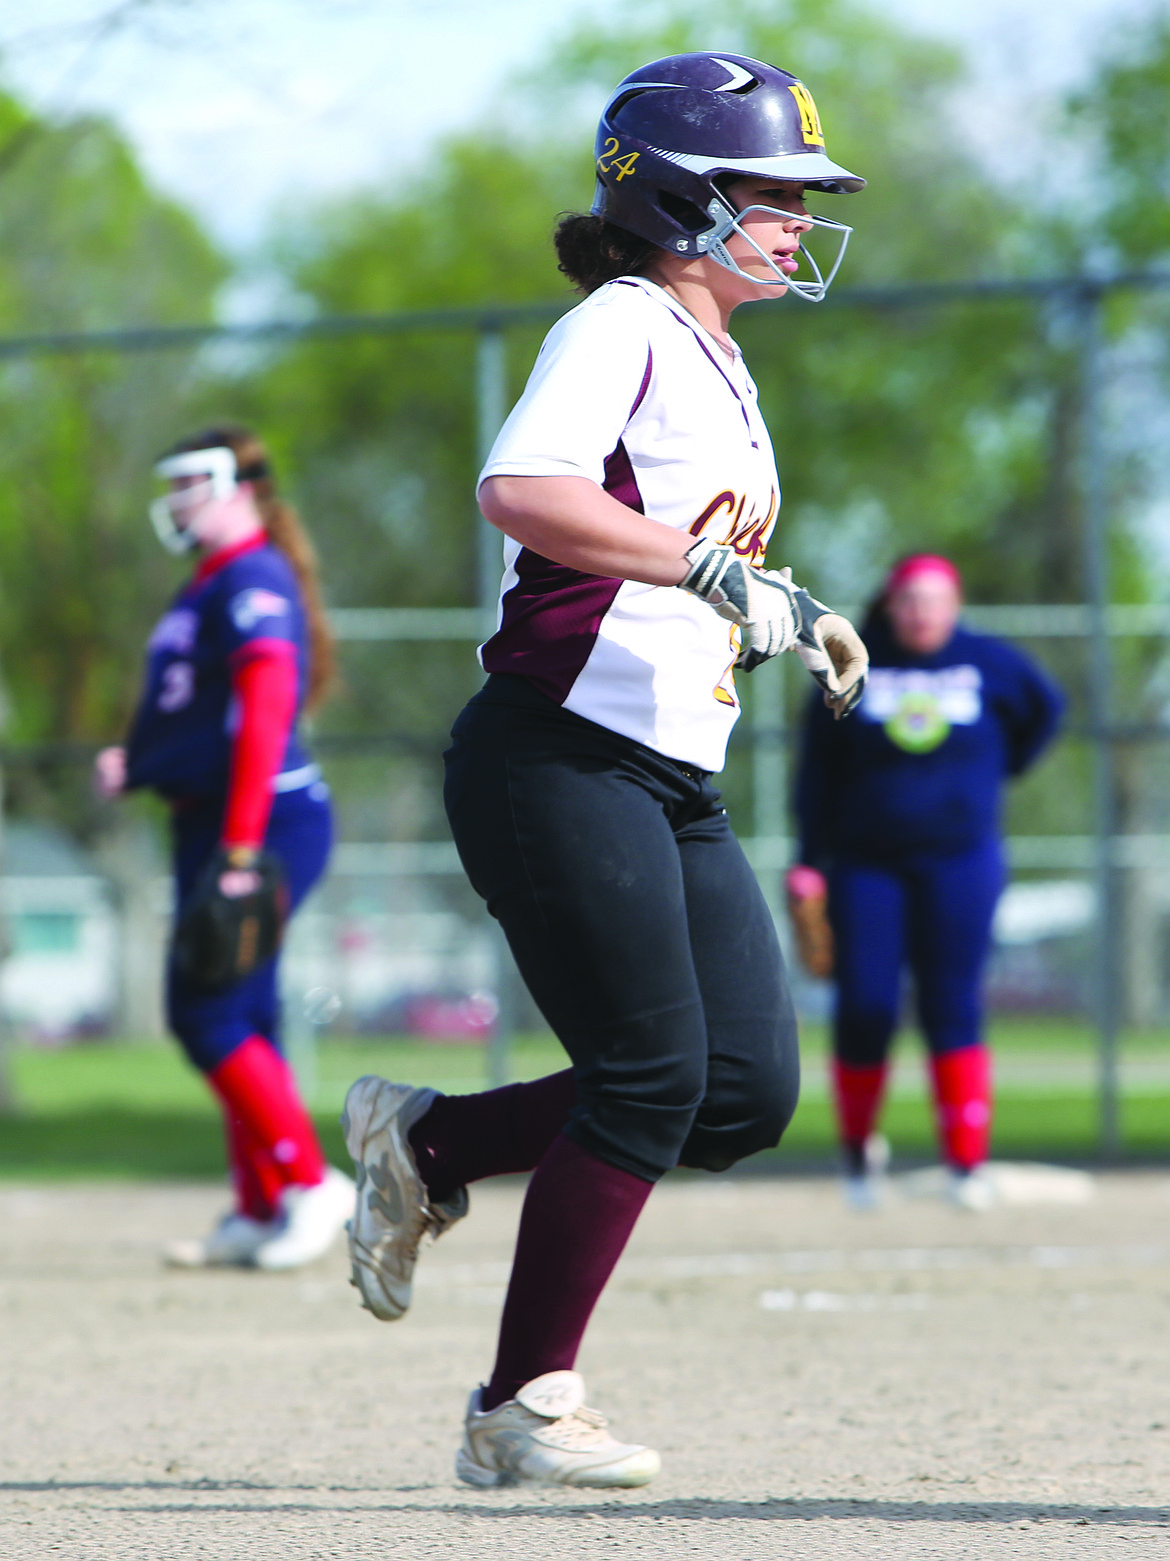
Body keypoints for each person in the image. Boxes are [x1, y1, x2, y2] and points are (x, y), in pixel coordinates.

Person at [341, 52, 868, 1490]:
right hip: (557, 755)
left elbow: (674, 553)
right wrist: (708, 567)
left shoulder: (715, 350)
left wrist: (789, 603)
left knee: (740, 1091)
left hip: (662, 771)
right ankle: (519, 1402)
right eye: (772, 192)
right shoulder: (624, 320)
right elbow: (523, 491)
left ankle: (427, 1143)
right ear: (682, 197)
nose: (794, 219)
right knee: (647, 1077)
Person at [94, 424, 353, 1269]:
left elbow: (268, 708)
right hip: (209, 818)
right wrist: (142, 759)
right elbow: (198, 711)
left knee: (202, 1011)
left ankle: (314, 1187)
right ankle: (260, 1204)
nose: (174, 502)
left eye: (188, 483)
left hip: (263, 823)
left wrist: (241, 850)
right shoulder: (205, 582)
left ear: (238, 486)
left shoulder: (251, 575)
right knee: (244, 1011)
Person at [789, 553, 1065, 1211]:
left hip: (960, 860)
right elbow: (816, 771)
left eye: (934, 599)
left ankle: (965, 1165)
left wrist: (1002, 767)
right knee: (866, 1005)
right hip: (866, 864)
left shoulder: (989, 662)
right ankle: (858, 1156)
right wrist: (807, 857)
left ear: (955, 602)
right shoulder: (856, 658)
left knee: (952, 1003)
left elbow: (1046, 711)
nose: (921, 611)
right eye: (909, 599)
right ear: (891, 603)